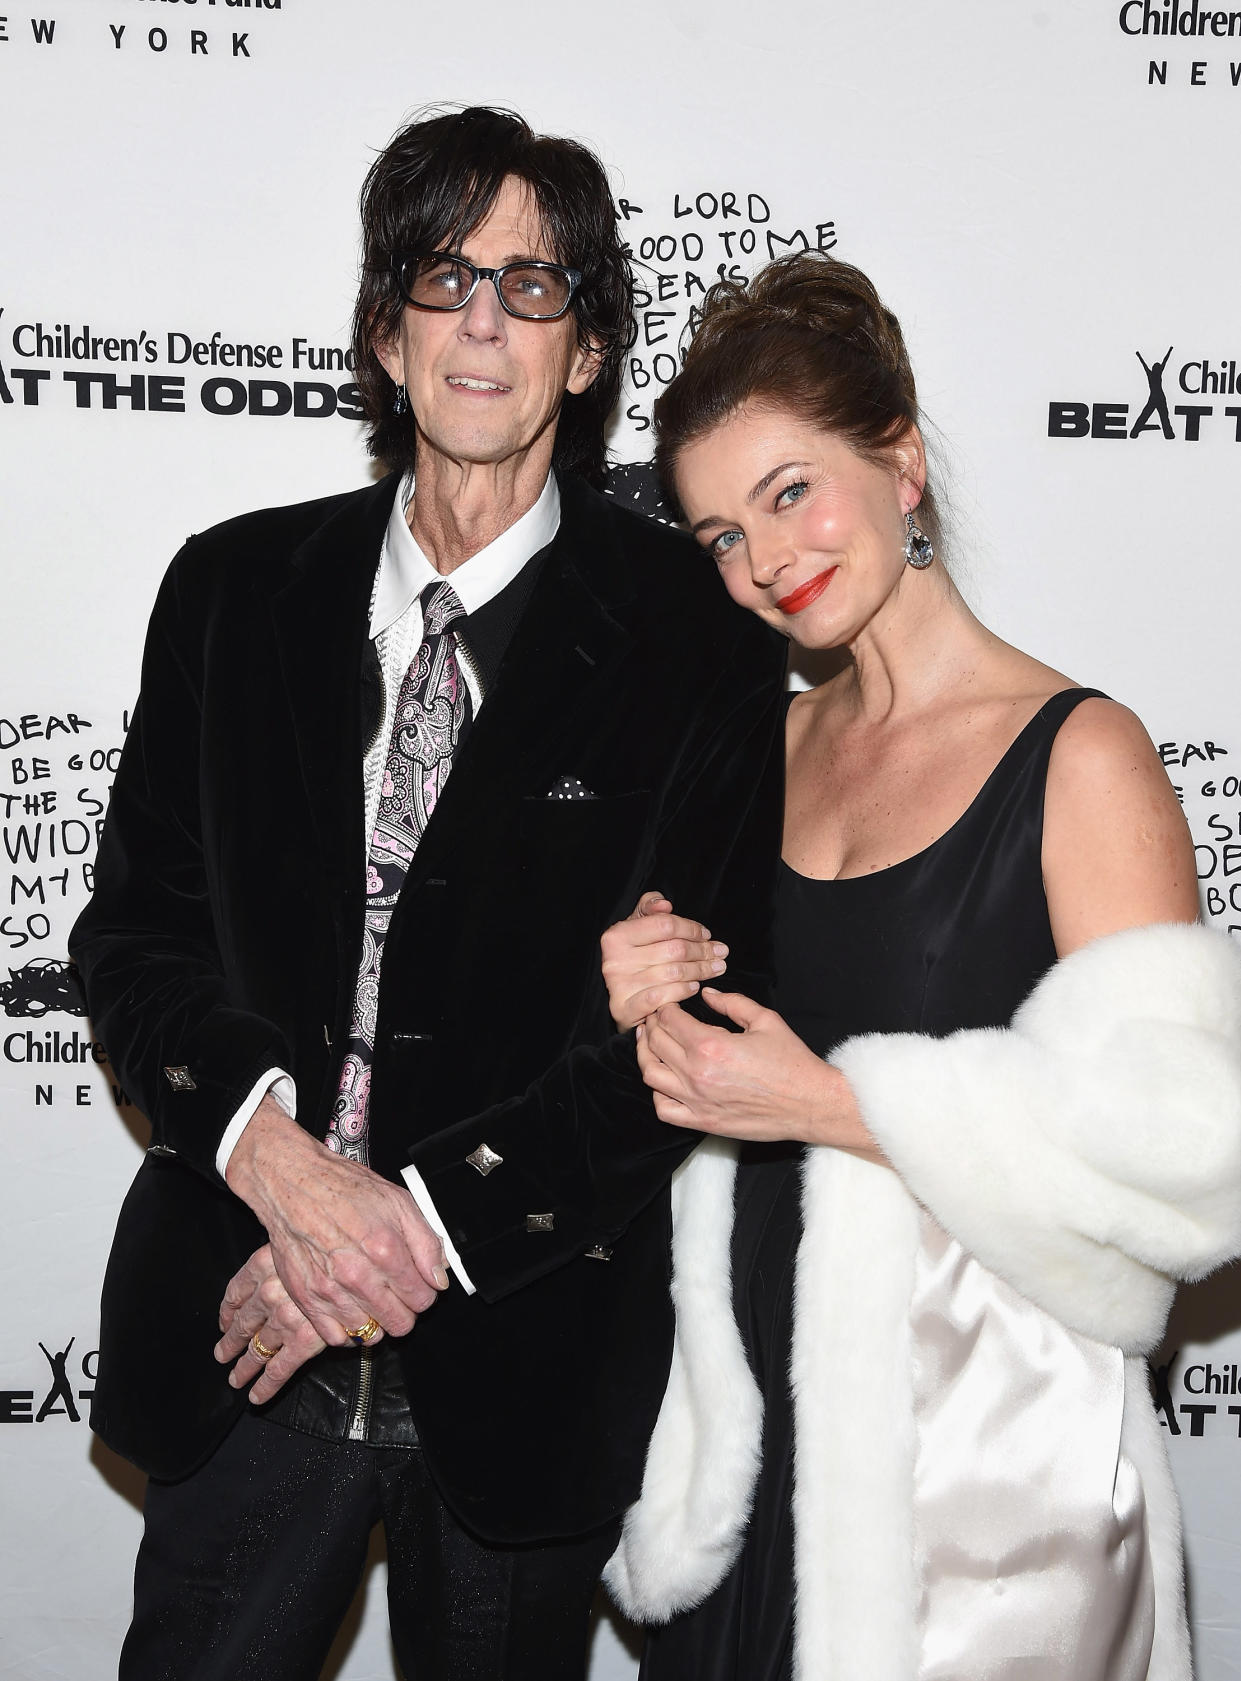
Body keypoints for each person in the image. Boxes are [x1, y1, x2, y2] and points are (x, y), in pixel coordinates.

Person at [69, 106, 787, 1681]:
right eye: (444, 276)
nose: (482, 321)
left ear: (588, 348)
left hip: (525, 1348)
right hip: (242, 1325)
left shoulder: (699, 639)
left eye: (533, 287)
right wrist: (277, 1160)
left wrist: (406, 1229)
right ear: (382, 329)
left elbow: (693, 1021)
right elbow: (130, 939)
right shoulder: (231, 589)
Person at [595, 252, 1241, 1680]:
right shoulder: (753, 753)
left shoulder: (1078, 753)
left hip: (982, 1476)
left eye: (788, 493)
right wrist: (648, 990)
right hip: (744, 1427)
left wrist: (836, 1105)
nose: (763, 562)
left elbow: (1193, 1157)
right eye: (716, 534)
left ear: (898, 466)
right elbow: (708, 1068)